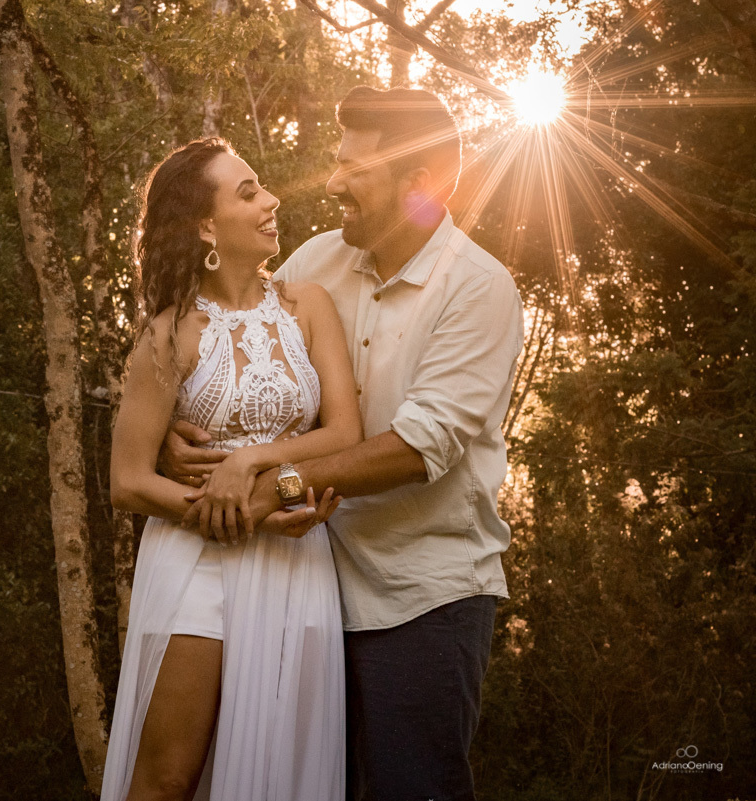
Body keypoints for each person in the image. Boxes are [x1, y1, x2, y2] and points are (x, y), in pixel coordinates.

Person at [167, 87, 525, 800]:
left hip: (423, 599)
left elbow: (414, 449)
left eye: (351, 169)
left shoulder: (480, 289)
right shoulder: (313, 263)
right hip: (307, 587)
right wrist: (180, 433)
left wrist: (275, 486)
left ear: (416, 185)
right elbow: (237, 358)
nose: (330, 183)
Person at [100, 137, 366, 801]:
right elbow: (128, 479)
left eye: (263, 185)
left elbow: (343, 432)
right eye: (248, 192)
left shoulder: (310, 307)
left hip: (296, 561)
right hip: (197, 564)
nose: (271, 200)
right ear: (206, 225)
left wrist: (255, 467)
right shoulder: (168, 333)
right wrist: (230, 515)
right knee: (165, 778)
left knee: (281, 777)